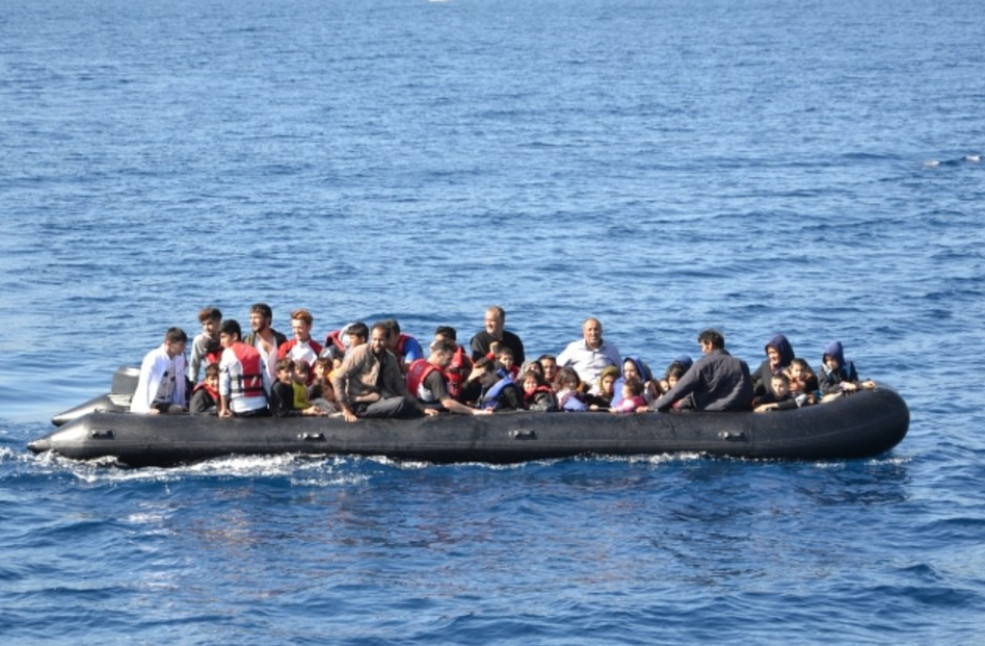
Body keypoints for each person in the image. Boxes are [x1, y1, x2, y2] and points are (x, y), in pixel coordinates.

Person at [330, 322, 439, 422]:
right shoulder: (360, 353)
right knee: (401, 403)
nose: (377, 343)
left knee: (406, 403)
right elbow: (338, 377)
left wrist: (421, 408)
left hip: (382, 399)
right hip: (361, 403)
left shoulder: (390, 358)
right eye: (374, 339)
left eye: (381, 340)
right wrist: (345, 408)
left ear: (387, 340)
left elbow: (401, 388)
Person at [649, 329, 753, 412]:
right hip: (740, 413)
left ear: (709, 344)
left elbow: (679, 390)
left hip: (709, 414)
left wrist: (655, 407)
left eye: (702, 346)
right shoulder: (742, 364)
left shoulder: (702, 364)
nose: (702, 350)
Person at [406, 339, 491, 416]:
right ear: (439, 354)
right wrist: (474, 411)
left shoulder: (417, 363)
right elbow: (447, 403)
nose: (450, 363)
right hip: (433, 410)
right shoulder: (435, 375)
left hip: (415, 405)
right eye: (449, 359)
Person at [218, 319, 271, 418]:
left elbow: (223, 383)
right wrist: (271, 403)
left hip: (240, 409)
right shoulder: (255, 352)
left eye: (223, 337)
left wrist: (224, 408)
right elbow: (266, 381)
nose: (221, 342)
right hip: (261, 407)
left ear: (234, 336)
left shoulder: (227, 353)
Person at [131, 327, 188, 414]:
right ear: (169, 344)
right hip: (153, 402)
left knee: (183, 409)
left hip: (169, 401)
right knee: (178, 410)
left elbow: (180, 383)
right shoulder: (153, 357)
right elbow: (144, 383)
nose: (184, 348)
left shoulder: (180, 357)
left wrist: (182, 403)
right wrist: (145, 408)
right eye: (181, 345)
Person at [556, 317, 621, 387]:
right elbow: (557, 365)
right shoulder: (574, 348)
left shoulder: (611, 349)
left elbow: (621, 370)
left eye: (596, 329)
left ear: (601, 331)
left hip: (603, 389)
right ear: (584, 332)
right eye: (590, 330)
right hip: (580, 389)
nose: (593, 333)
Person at [243, 303, 288, 384]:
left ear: (267, 320)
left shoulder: (280, 339)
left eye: (256, 318)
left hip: (278, 386)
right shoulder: (247, 341)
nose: (252, 321)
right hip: (257, 387)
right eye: (251, 318)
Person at [277, 308, 323, 376]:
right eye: (294, 327)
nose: (296, 331)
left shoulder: (318, 350)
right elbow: (281, 372)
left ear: (309, 327)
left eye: (300, 328)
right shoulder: (285, 348)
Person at [435, 325, 474, 402]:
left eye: (441, 341)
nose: (438, 344)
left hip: (459, 394)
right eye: (436, 341)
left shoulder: (464, 358)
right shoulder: (437, 356)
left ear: (452, 341)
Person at [752, 333, 796, 398]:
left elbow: (810, 381)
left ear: (783, 351)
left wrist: (803, 385)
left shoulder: (795, 367)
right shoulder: (766, 366)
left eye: (774, 352)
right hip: (766, 399)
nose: (771, 356)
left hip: (786, 401)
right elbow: (751, 378)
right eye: (769, 353)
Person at [188, 306, 223, 384]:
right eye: (203, 324)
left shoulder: (225, 337)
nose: (206, 327)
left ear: (218, 322)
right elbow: (194, 365)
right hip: (211, 380)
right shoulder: (199, 340)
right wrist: (193, 383)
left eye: (210, 324)